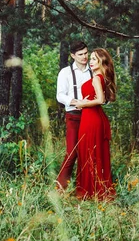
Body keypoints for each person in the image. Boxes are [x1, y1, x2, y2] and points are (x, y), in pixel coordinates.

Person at [74, 48, 116, 200]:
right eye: (90, 59)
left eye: (94, 59)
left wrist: (83, 103)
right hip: (92, 117)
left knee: (89, 153)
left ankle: (91, 191)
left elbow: (100, 100)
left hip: (91, 119)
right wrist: (84, 103)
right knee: (91, 152)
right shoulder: (100, 76)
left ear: (101, 61)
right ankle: (94, 190)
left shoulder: (97, 78)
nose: (90, 62)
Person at [56, 40, 92, 191]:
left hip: (90, 115)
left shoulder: (93, 70)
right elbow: (60, 95)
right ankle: (60, 187)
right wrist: (73, 101)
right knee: (72, 152)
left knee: (89, 152)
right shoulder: (65, 72)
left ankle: (84, 188)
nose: (84, 57)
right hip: (73, 115)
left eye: (86, 53)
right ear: (73, 55)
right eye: (80, 54)